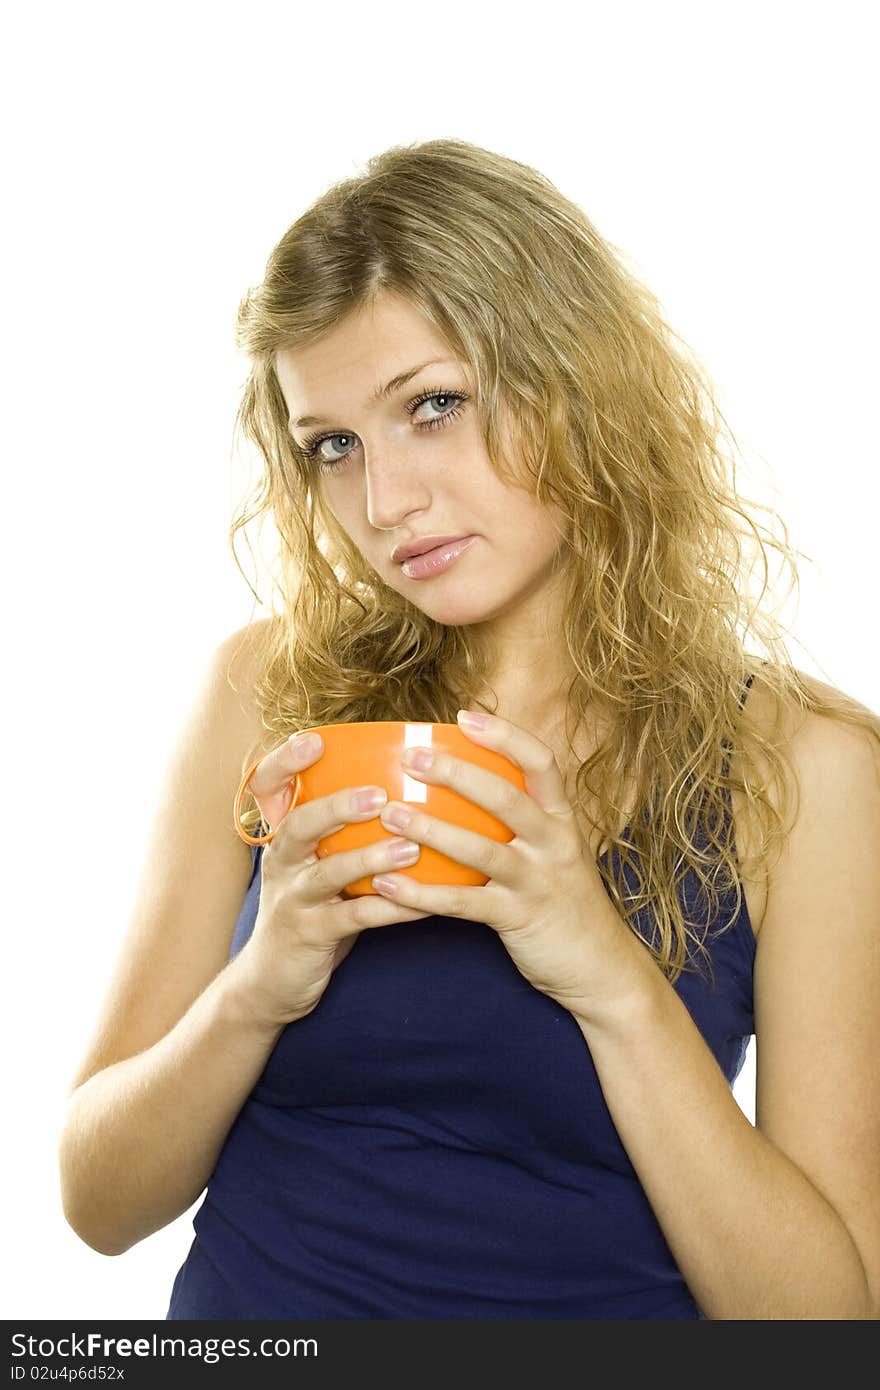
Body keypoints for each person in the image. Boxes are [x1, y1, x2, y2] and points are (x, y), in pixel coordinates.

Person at [58, 139, 880, 1321]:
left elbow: (825, 1320)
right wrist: (260, 983)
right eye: (332, 445)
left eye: (432, 407)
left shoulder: (801, 770)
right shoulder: (267, 693)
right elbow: (96, 1200)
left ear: (576, 382)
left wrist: (605, 971)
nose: (383, 501)